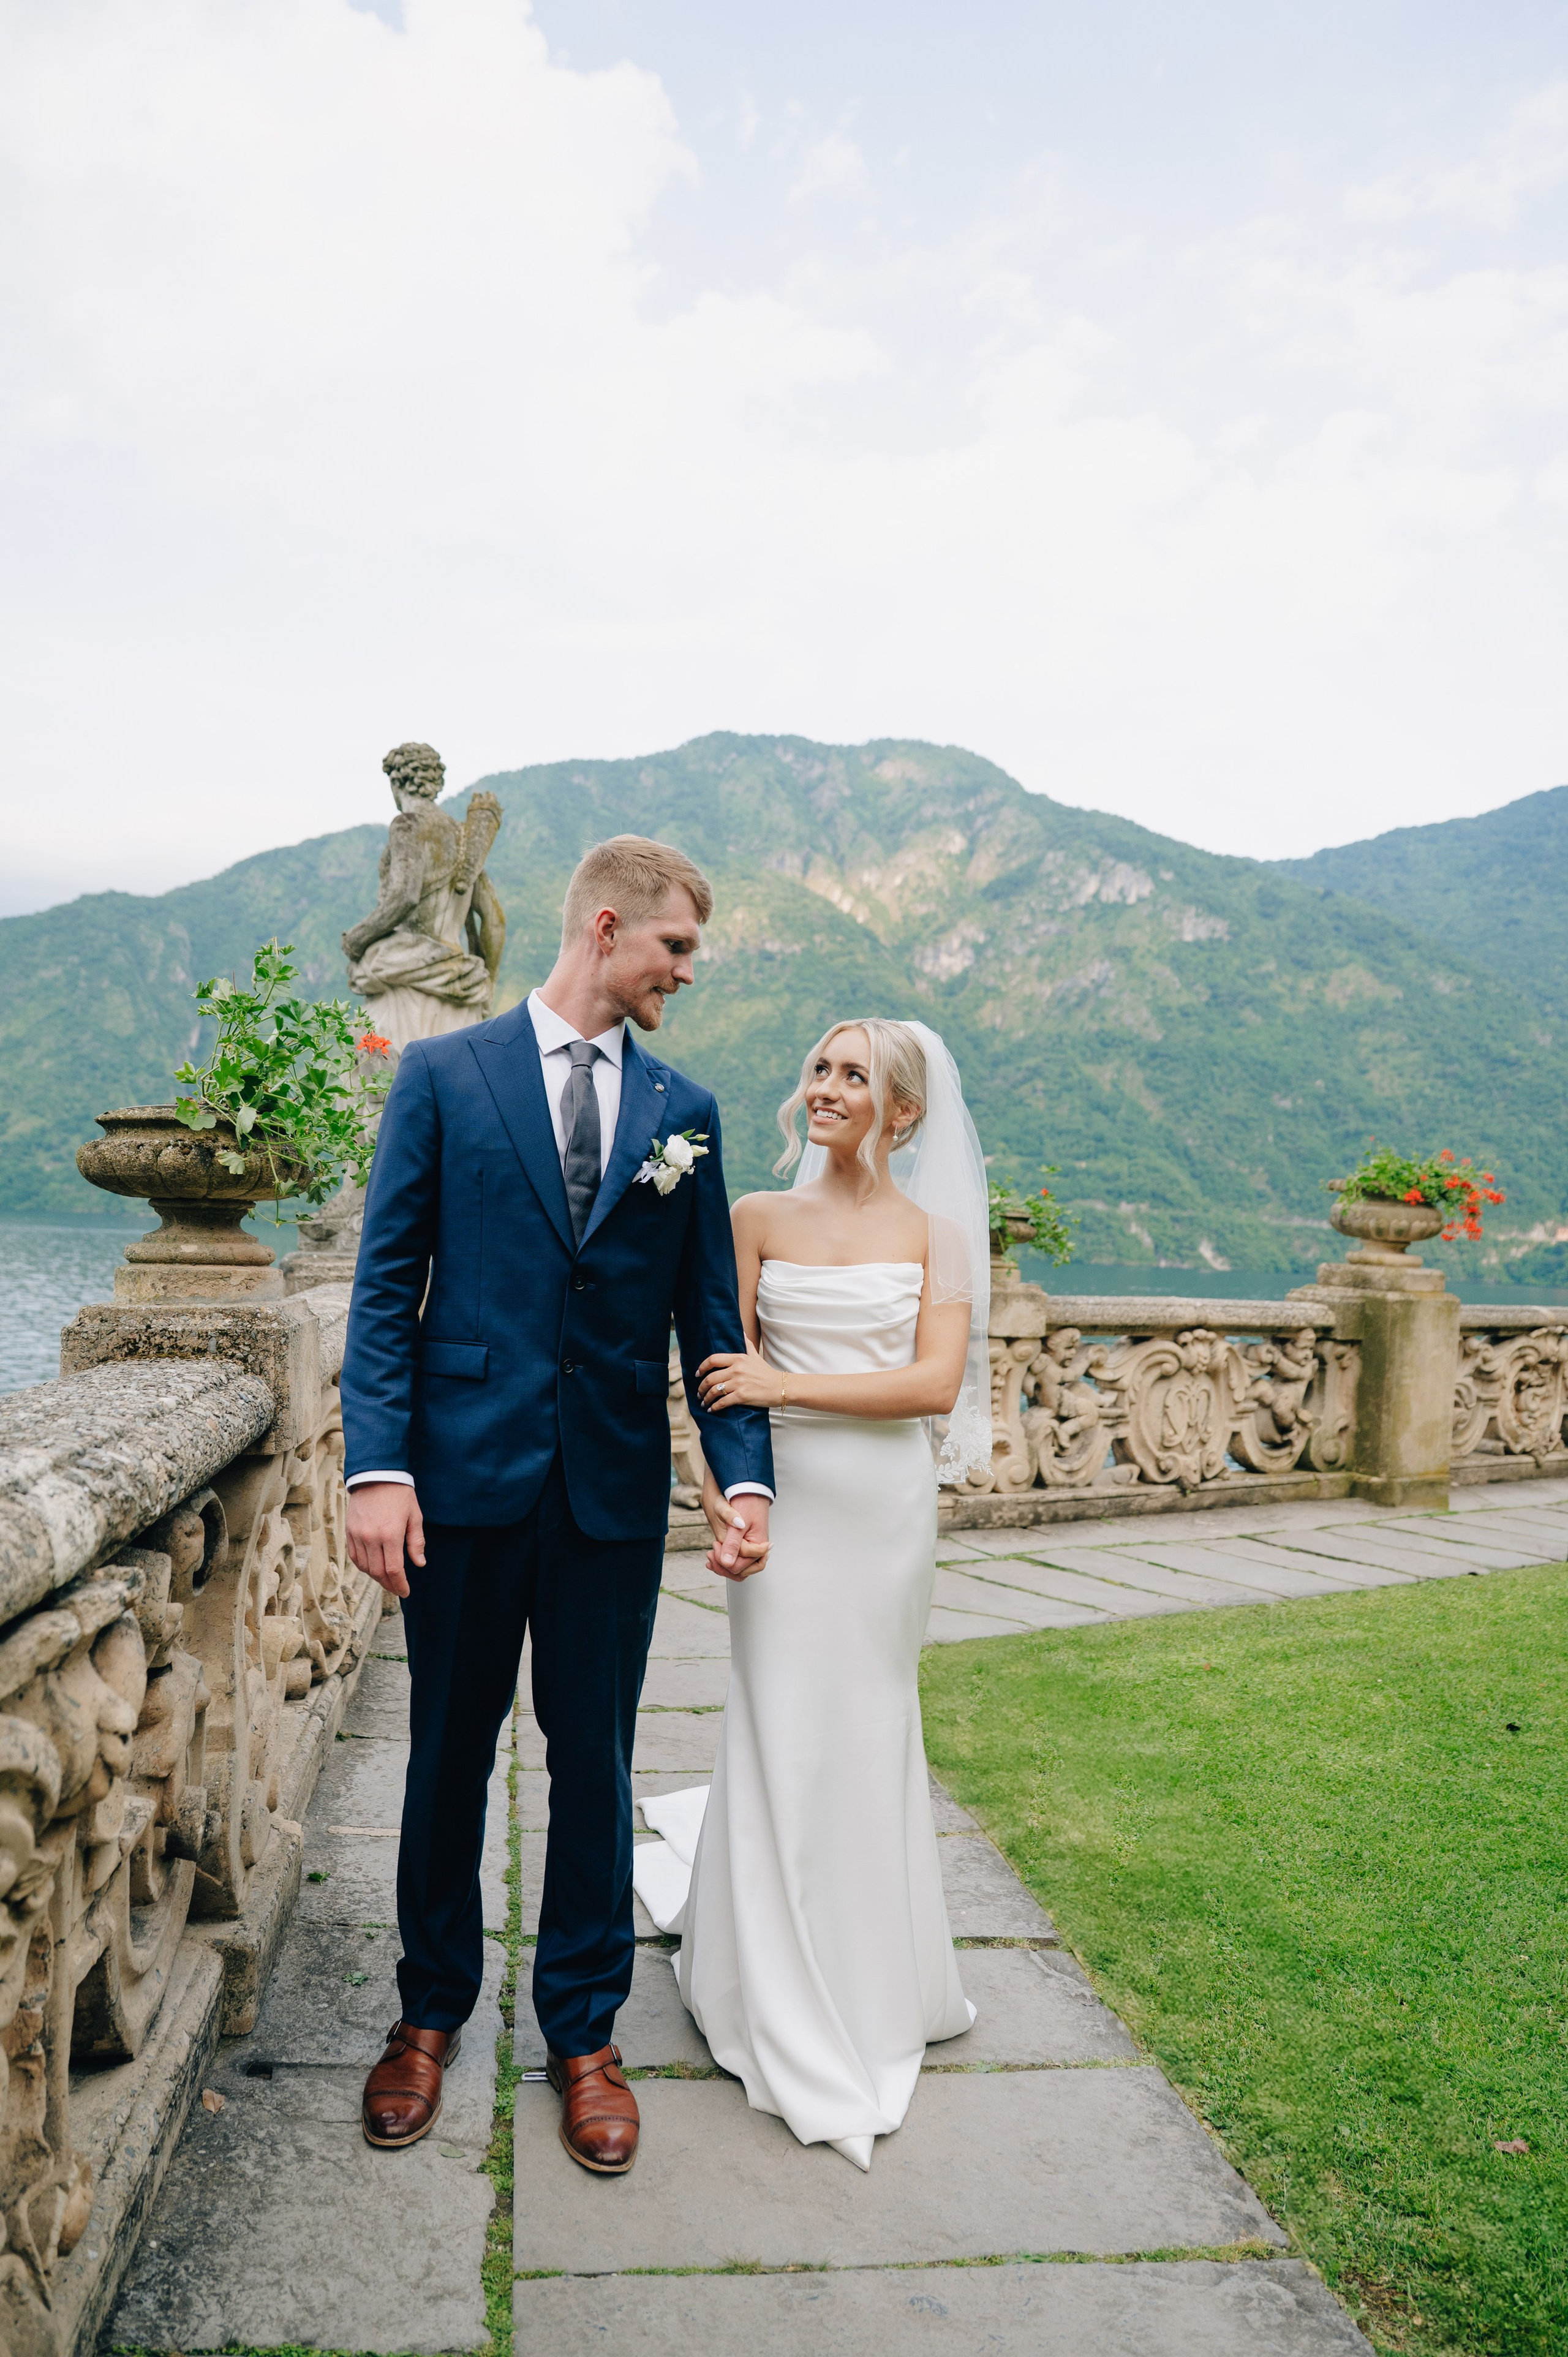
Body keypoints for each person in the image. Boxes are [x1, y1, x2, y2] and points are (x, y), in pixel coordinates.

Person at [339, 834, 774, 2173]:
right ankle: (426, 2015)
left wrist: (743, 1471)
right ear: (604, 927)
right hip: (458, 1488)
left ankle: (582, 2034)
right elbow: (383, 1287)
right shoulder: (440, 1076)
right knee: (446, 1760)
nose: (685, 973)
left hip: (607, 1498)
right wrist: (377, 1467)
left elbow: (710, 1319)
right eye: (676, 948)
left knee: (591, 1766)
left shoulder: (685, 1114)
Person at [633, 1017, 993, 2169]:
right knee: (783, 1720)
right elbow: (711, 1380)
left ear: (904, 1113)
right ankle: (762, 1978)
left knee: (869, 1722)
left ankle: (874, 1977)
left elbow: (936, 1386)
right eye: (822, 1070)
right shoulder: (754, 1219)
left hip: (884, 1513)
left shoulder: (936, 1234)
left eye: (858, 1078)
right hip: (779, 1504)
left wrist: (789, 1378)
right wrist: (718, 1491)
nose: (829, 1088)